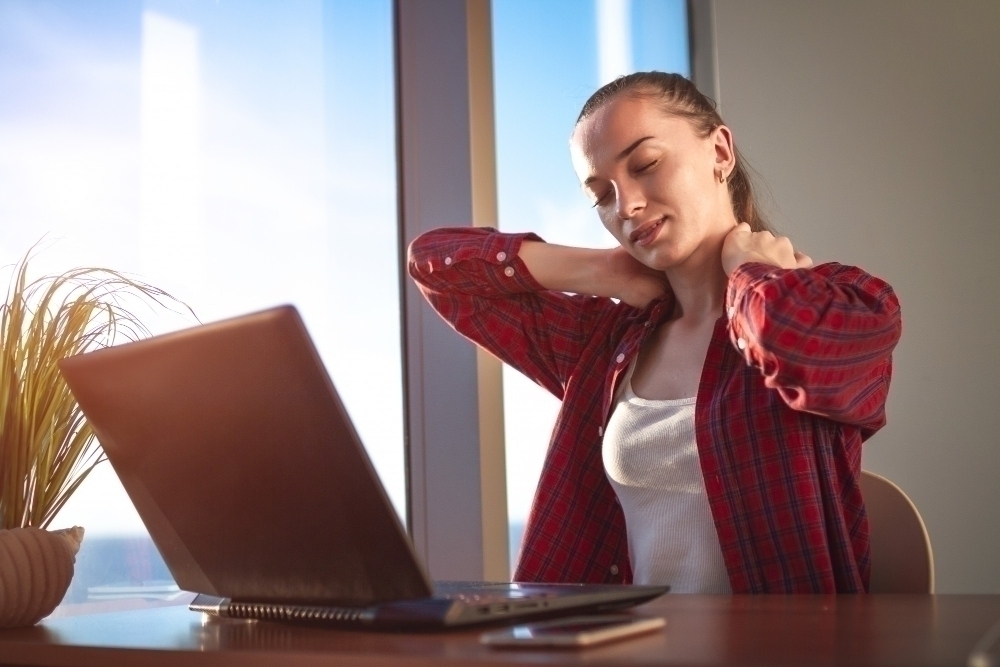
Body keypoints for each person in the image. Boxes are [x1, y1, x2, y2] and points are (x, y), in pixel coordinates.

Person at [408, 72, 901, 594]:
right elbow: (436, 266)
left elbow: (791, 342)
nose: (627, 206)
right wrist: (597, 270)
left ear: (720, 151)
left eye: (645, 165)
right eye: (601, 195)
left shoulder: (847, 300)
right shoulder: (604, 341)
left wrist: (752, 275)